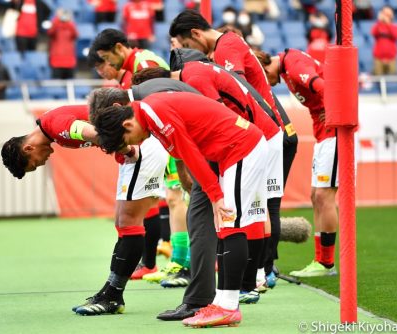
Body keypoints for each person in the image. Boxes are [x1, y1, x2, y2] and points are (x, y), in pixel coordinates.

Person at [93, 91, 269, 328]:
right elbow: (183, 150)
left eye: (129, 139)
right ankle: (222, 303)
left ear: (127, 123)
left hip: (242, 148)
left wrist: (215, 195)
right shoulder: (148, 114)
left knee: (230, 223)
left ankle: (228, 306)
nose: (134, 144)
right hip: (232, 152)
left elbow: (189, 153)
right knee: (225, 226)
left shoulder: (154, 112)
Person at [132, 53, 283, 304]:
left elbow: (207, 128)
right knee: (246, 214)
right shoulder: (190, 78)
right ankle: (250, 282)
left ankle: (237, 293)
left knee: (236, 218)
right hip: (250, 138)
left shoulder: (192, 80)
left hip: (247, 141)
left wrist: (213, 191)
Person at [1, 104, 168, 316]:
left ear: (28, 149)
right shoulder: (53, 128)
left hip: (142, 146)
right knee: (123, 222)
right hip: (139, 145)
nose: (41, 164)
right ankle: (111, 292)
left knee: (129, 222)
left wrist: (127, 150)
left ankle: (113, 296)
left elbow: (98, 133)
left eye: (34, 164)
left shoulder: (55, 126)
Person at [90, 28, 192, 283]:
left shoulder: (143, 63)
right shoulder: (135, 65)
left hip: (167, 132)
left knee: (176, 196)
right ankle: (175, 260)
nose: (106, 65)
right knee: (170, 197)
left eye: (106, 58)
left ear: (118, 48)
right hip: (164, 133)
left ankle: (182, 261)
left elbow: (159, 105)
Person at [255, 48, 340, 277]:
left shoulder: (293, 64)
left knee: (324, 195)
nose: (268, 86)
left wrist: (334, 112)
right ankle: (321, 260)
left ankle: (326, 264)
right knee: (316, 195)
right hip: (324, 134)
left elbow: (324, 86)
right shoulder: (287, 69)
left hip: (334, 133)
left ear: (263, 67)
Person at [169, 9, 280, 124]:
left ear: (196, 34)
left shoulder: (226, 48)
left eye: (187, 45)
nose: (190, 50)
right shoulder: (228, 41)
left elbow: (240, 96)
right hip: (264, 121)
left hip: (263, 125)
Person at [371, 6, 397, 75]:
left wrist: (388, 24)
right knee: (378, 77)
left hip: (391, 57)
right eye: (384, 14)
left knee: (392, 79)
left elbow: (395, 35)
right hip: (378, 57)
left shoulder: (395, 26)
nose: (386, 16)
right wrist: (379, 21)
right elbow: (373, 32)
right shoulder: (378, 25)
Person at [47, 8, 78, 79]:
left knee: (70, 85)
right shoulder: (56, 25)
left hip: (69, 61)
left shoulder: (70, 26)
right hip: (57, 61)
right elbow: (50, 32)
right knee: (57, 86)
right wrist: (57, 18)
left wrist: (69, 21)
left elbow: (76, 34)